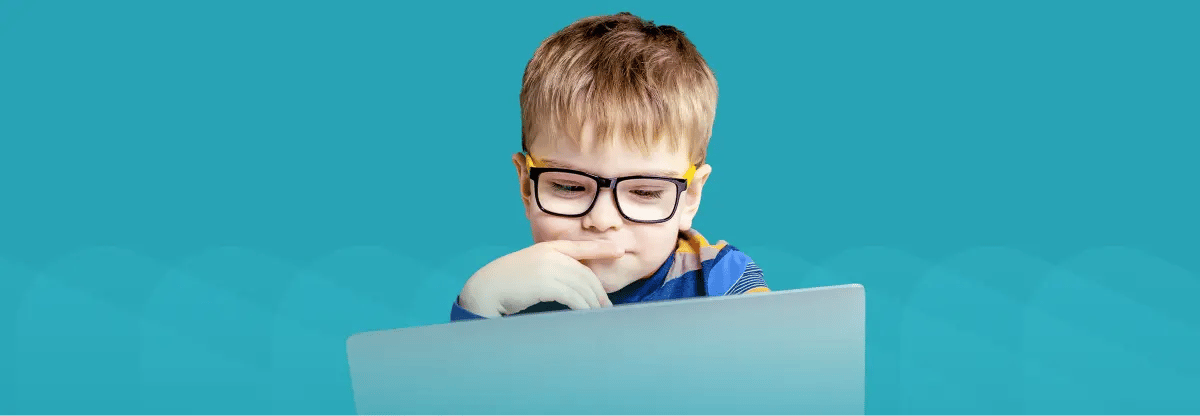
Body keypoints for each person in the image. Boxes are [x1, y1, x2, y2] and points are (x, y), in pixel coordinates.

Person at [451, 12, 768, 321]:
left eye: (644, 191)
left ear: (691, 197)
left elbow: (773, 367)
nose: (601, 221)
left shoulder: (723, 280)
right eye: (569, 186)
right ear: (526, 187)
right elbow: (464, 374)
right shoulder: (511, 299)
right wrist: (479, 303)